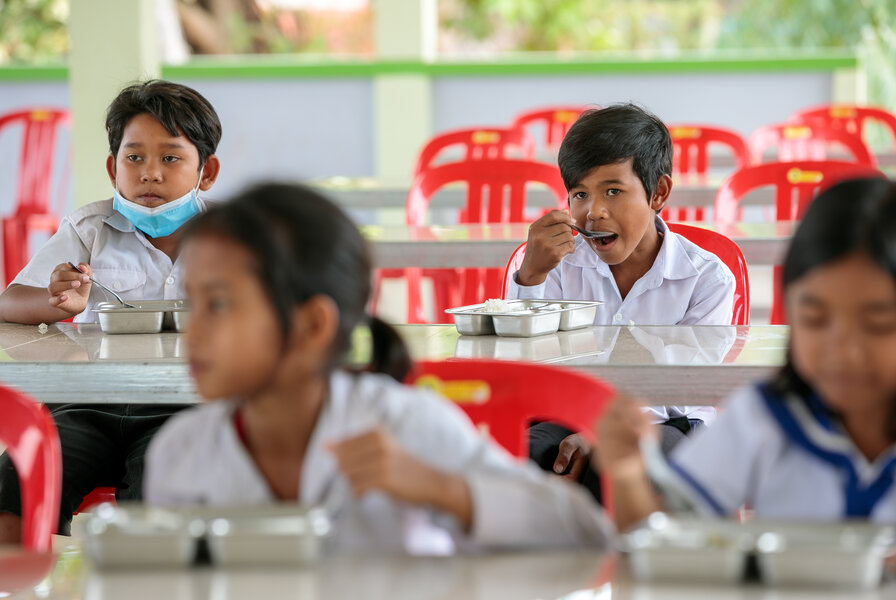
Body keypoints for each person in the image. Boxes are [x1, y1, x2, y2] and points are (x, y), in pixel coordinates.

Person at [144, 182, 614, 554]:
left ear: (311, 326)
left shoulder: (408, 426)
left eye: (219, 304)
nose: (194, 332)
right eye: (192, 302)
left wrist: (444, 490)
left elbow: (580, 530)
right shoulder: (179, 453)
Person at [595, 177, 896, 533]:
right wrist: (628, 475)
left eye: (878, 324)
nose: (843, 351)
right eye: (815, 320)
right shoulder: (763, 418)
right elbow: (664, 541)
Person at [0, 79, 222, 542]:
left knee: (164, 511)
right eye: (134, 157)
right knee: (14, 487)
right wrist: (56, 300)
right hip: (85, 405)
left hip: (183, 410)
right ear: (112, 167)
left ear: (207, 172)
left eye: (171, 157)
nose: (150, 173)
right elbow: (10, 302)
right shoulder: (89, 228)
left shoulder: (234, 238)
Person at [506, 104, 735, 496]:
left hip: (668, 421)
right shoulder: (552, 266)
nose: (593, 212)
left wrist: (601, 433)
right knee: (518, 459)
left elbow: (684, 387)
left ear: (658, 193)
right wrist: (531, 277)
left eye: (613, 191)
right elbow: (523, 370)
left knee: (619, 465)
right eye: (580, 193)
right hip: (567, 412)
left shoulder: (706, 279)